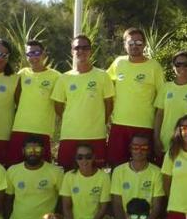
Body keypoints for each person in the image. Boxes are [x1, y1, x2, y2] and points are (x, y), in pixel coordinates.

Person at [51, 35, 114, 169]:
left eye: (85, 47)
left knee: (96, 174)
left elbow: (109, 104)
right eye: (77, 47)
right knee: (68, 173)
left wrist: (101, 120)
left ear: (90, 51)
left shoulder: (103, 76)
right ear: (72, 51)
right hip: (70, 134)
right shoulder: (64, 78)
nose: (81, 51)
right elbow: (58, 106)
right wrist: (71, 119)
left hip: (96, 134)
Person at [1, 135, 65, 219]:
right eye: (30, 149)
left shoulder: (55, 172)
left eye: (37, 149)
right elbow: (8, 200)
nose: (33, 153)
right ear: (23, 151)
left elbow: (62, 200)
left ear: (44, 151)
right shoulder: (13, 171)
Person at [106, 27, 164, 166]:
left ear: (144, 44)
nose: (134, 46)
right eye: (130, 43)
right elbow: (103, 85)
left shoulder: (154, 67)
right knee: (117, 167)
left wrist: (157, 133)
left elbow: (162, 100)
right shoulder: (118, 63)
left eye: (138, 43)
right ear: (125, 45)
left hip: (144, 126)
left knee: (144, 168)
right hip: (119, 125)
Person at [59, 143, 111, 219]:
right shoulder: (69, 176)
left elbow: (103, 208)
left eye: (88, 157)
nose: (84, 160)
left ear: (94, 157)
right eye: (80, 157)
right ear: (75, 158)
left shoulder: (103, 177)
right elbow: (66, 206)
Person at [10, 39, 61, 163]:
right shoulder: (22, 73)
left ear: (44, 54)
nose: (33, 57)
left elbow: (59, 103)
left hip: (42, 130)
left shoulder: (56, 76)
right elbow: (16, 98)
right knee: (15, 166)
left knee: (42, 169)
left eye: (36, 53)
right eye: (29, 54)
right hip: (20, 128)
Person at [153, 51, 187, 158]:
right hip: (166, 141)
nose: (182, 67)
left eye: (185, 64)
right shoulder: (165, 87)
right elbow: (159, 115)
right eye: (178, 64)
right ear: (173, 67)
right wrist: (156, 138)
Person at [110, 133, 166, 219]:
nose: (139, 151)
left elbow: (157, 207)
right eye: (135, 147)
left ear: (148, 150)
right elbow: (117, 204)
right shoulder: (118, 171)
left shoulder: (156, 172)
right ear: (130, 148)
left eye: (143, 148)